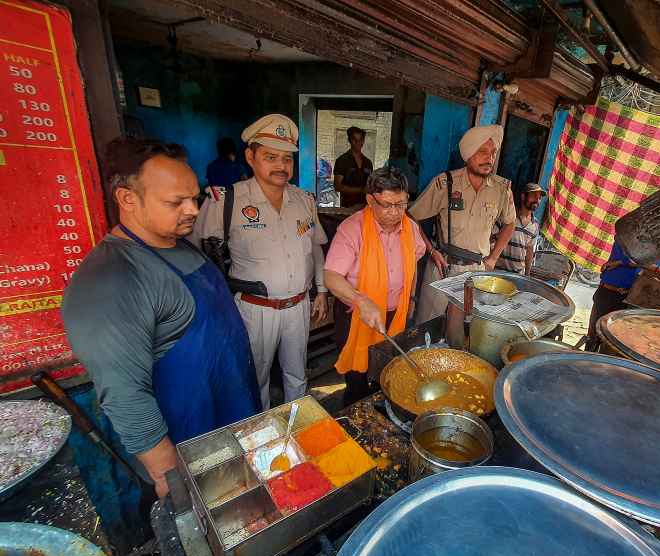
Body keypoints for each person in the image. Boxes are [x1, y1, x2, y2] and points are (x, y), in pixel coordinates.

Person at [62, 138, 261, 497]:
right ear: (127, 198)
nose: (193, 210)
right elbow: (125, 396)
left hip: (233, 419)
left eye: (194, 197)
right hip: (191, 445)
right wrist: (172, 481)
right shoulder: (111, 279)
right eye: (176, 202)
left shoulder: (178, 243)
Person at [190, 114, 329, 409]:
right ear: (250, 157)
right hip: (253, 310)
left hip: (299, 306)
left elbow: (315, 248)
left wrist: (322, 291)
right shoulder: (224, 202)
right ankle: (262, 437)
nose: (281, 166)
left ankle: (297, 429)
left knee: (297, 375)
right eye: (271, 157)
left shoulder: (304, 200)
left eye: (287, 158)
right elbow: (195, 256)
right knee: (255, 378)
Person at [324, 166, 426, 403]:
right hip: (356, 317)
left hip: (395, 315)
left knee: (387, 376)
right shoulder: (352, 228)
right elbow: (331, 276)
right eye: (387, 205)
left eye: (401, 204)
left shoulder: (411, 228)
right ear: (370, 200)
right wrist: (361, 300)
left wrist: (410, 299)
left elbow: (413, 267)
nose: (395, 212)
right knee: (358, 382)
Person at [410, 124, 516, 324]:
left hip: (477, 273)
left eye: (493, 153)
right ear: (468, 154)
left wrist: (493, 258)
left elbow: (509, 224)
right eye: (483, 152)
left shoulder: (502, 189)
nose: (490, 158)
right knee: (427, 324)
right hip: (442, 268)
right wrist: (431, 250)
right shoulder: (445, 183)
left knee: (462, 330)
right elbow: (411, 217)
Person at [584, 240, 659, 349]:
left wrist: (657, 272)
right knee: (594, 335)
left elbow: (652, 273)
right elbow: (632, 260)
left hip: (629, 298)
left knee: (614, 341)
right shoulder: (627, 236)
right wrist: (657, 269)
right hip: (608, 292)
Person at [492, 182, 544, 275]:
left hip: (518, 275)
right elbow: (490, 239)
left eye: (539, 198)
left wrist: (527, 274)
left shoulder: (535, 224)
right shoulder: (507, 216)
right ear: (523, 196)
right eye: (534, 196)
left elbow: (529, 250)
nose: (537, 200)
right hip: (497, 271)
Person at [333, 126, 373, 209]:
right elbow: (337, 186)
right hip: (348, 207)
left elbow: (370, 185)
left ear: (363, 141)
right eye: (355, 140)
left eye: (361, 139)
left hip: (366, 208)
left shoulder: (368, 163)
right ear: (349, 141)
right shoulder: (342, 161)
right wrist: (361, 190)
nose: (358, 142)